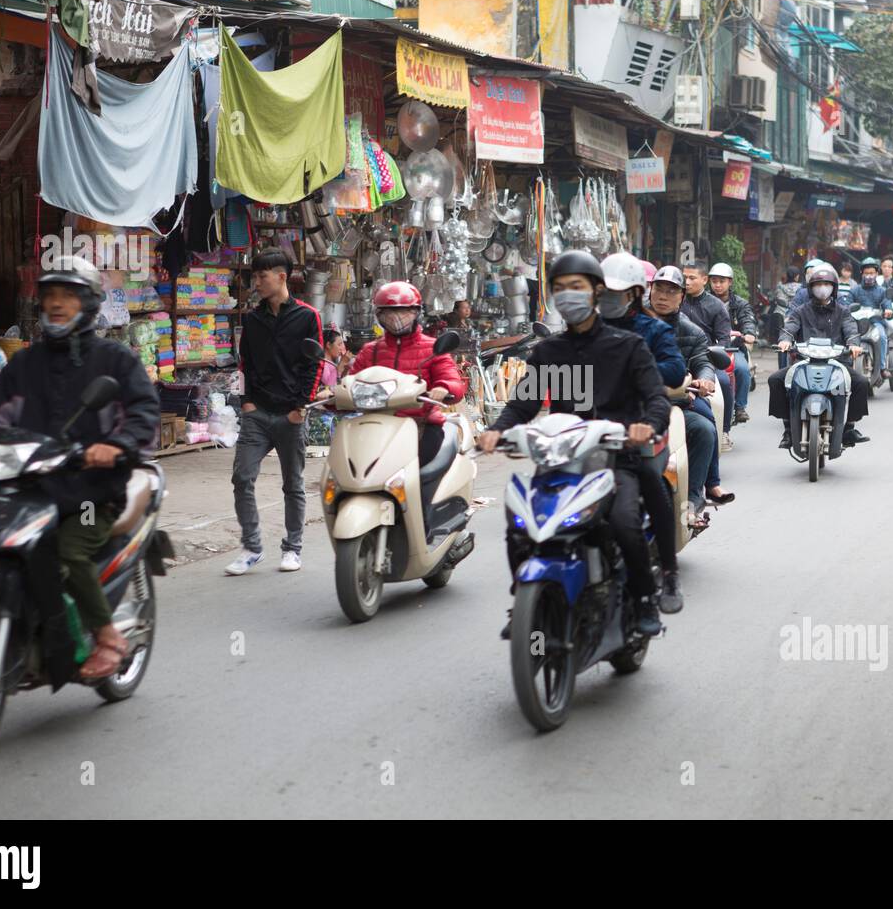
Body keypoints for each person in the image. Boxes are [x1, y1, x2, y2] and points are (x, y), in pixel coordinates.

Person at [0, 256, 161, 682]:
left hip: (93, 492)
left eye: (68, 296)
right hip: (31, 485)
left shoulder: (115, 360)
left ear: (88, 304)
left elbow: (144, 412)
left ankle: (107, 635)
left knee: (69, 550)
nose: (56, 304)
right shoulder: (25, 363)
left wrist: (115, 446)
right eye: (50, 296)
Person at [479, 250, 671, 636]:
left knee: (623, 522)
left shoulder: (628, 346)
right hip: (561, 462)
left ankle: (646, 597)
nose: (569, 295)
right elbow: (523, 403)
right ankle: (526, 599)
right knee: (521, 525)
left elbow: (656, 399)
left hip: (616, 460)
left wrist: (645, 425)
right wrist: (497, 430)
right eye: (561, 289)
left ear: (597, 292)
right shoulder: (549, 352)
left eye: (577, 287)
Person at [226, 248, 325, 577]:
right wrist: (245, 403)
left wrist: (300, 407)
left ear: (282, 277)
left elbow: (314, 364)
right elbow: (244, 365)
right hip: (257, 413)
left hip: (290, 416)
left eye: (261, 276)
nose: (257, 281)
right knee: (242, 477)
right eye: (255, 276)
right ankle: (252, 547)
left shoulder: (308, 316)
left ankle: (293, 547)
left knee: (293, 484)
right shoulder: (253, 319)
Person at [598, 253, 686, 613]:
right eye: (601, 291)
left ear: (635, 294)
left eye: (615, 293)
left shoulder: (655, 332)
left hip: (638, 429)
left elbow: (675, 371)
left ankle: (667, 574)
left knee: (642, 492)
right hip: (587, 433)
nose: (607, 299)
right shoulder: (585, 330)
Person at [349, 280, 465, 465]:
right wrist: (332, 394)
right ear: (379, 315)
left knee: (414, 475)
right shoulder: (371, 351)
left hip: (421, 424)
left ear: (416, 312)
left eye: (403, 311)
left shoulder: (433, 348)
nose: (396, 317)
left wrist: (444, 388)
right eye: (389, 312)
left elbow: (453, 381)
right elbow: (350, 383)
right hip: (377, 426)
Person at [647, 264, 732, 514]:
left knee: (706, 428)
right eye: (658, 289)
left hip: (678, 400)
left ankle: (695, 497)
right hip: (635, 402)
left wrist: (704, 379)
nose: (663, 296)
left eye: (671, 291)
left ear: (681, 297)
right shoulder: (632, 324)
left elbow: (703, 362)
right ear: (649, 291)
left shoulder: (691, 332)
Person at [769, 264, 870, 447]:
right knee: (776, 380)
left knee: (862, 383)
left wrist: (854, 345)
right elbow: (790, 328)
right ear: (810, 287)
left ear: (834, 287)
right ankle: (788, 429)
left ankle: (849, 428)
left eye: (826, 284)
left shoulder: (843, 311)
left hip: (837, 362)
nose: (822, 288)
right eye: (817, 284)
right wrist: (784, 341)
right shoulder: (801, 311)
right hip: (805, 361)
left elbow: (851, 330)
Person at [680, 264, 735, 447]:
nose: (686, 282)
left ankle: (724, 430)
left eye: (692, 278)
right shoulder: (676, 301)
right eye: (684, 277)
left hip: (705, 360)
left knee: (724, 382)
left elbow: (723, 340)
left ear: (704, 280)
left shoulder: (716, 306)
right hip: (676, 362)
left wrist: (711, 358)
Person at [708, 262, 756, 423]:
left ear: (730, 282)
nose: (718, 285)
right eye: (714, 281)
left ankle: (740, 407)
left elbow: (748, 320)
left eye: (722, 281)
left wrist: (749, 333)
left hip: (734, 349)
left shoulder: (740, 304)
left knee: (742, 370)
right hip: (708, 348)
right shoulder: (704, 301)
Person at [849, 257, 893, 378]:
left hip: (875, 323)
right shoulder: (854, 290)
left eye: (872, 273)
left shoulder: (882, 291)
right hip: (857, 324)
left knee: (882, 336)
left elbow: (887, 303)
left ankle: (882, 368)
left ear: (876, 274)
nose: (869, 275)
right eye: (866, 273)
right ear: (861, 274)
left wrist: (888, 310)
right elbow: (846, 305)